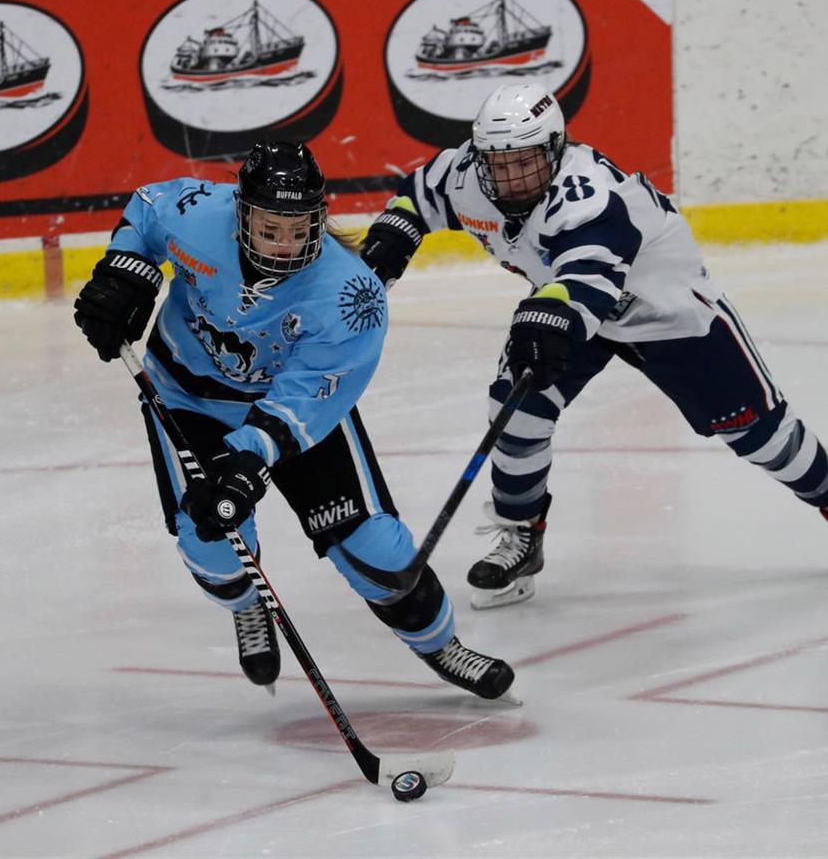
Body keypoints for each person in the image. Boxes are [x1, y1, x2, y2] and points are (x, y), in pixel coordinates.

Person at [359, 82, 828, 611]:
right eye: (498, 163)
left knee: (759, 433)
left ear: (555, 149)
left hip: (668, 314)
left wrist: (546, 323)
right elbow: (421, 194)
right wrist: (392, 237)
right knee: (517, 412)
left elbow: (588, 277)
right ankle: (521, 536)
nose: (509, 176)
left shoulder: (589, 197)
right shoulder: (469, 174)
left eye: (524, 161)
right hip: (573, 306)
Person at [73, 140, 515, 700]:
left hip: (291, 411)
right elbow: (147, 208)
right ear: (241, 214)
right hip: (188, 397)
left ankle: (440, 644)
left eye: (299, 229)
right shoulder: (199, 216)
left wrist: (249, 457)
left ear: (320, 219)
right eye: (269, 229)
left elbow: (308, 398)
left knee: (377, 551)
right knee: (213, 539)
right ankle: (246, 603)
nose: (285, 245)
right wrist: (124, 270)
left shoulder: (352, 295)